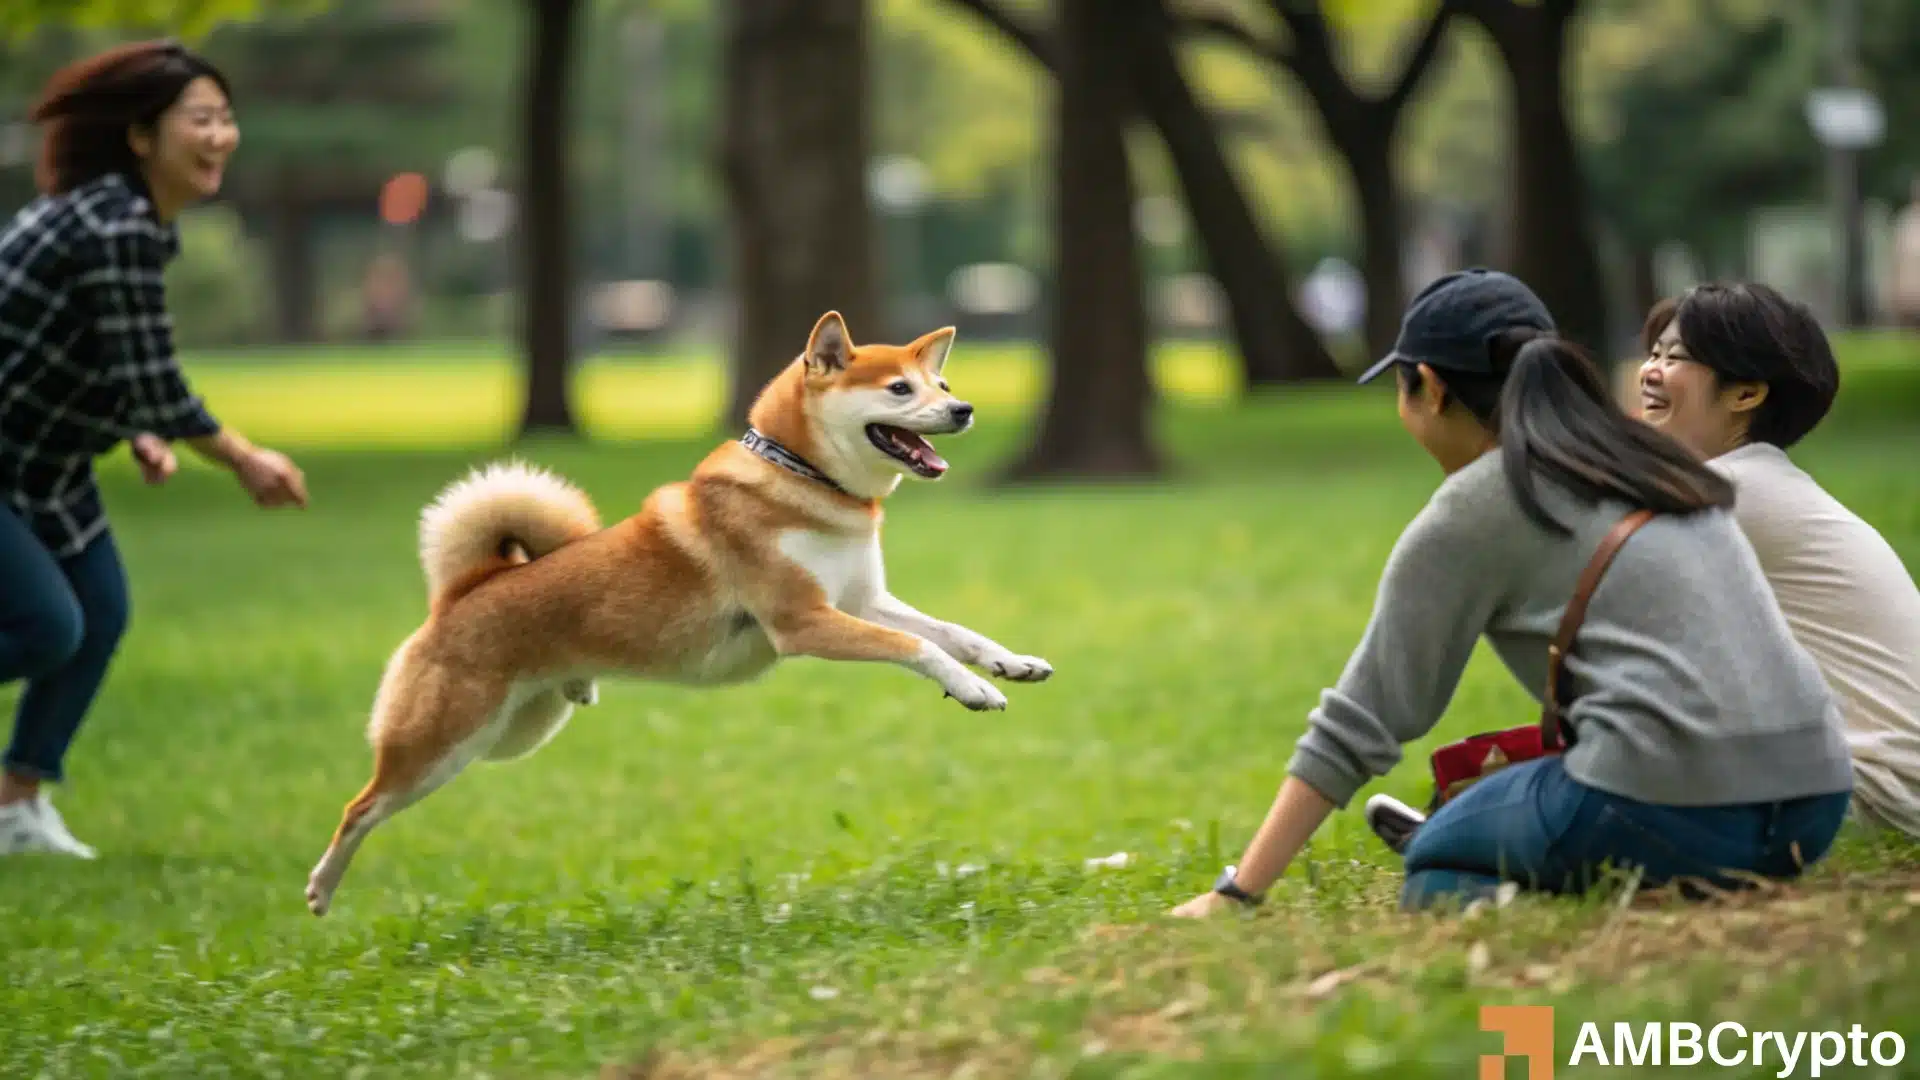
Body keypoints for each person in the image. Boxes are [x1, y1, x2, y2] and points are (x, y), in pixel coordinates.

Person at [1170, 269, 1854, 918]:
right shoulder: (1650, 459)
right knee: (1489, 807)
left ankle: (1593, 899)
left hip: (1673, 807)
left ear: (1431, 388)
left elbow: (1362, 719)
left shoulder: (1478, 505)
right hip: (1813, 803)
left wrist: (1239, 894)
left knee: (1436, 860)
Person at [1, 41, 308, 858]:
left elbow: (94, 357)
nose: (221, 136)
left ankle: (12, 809)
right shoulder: (115, 224)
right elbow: (157, 381)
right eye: (200, 119)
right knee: (45, 627)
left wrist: (132, 426)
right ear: (142, 137)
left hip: (41, 463)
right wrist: (244, 458)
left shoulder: (122, 219)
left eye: (226, 118)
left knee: (98, 613)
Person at [1635, 283, 1920, 838]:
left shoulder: (1729, 495)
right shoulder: (1757, 486)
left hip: (1877, 793)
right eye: (1653, 354)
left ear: (1745, 394)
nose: (1650, 370)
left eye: (1675, 358)